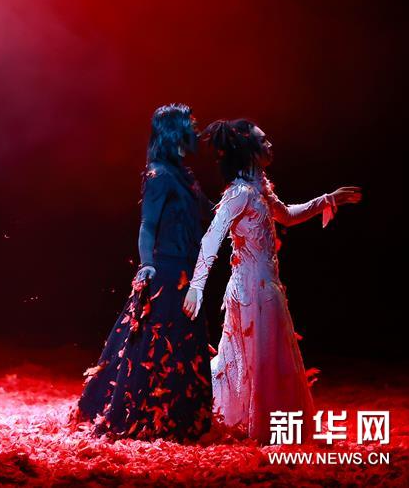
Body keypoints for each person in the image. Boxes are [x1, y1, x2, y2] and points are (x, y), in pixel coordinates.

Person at [183, 119, 361, 443]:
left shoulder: (259, 189)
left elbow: (288, 216)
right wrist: (196, 286)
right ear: (249, 150)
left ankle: (267, 425)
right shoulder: (239, 193)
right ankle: (253, 425)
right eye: (263, 141)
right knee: (254, 360)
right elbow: (211, 238)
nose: (269, 145)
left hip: (267, 287)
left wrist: (328, 199)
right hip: (251, 291)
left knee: (267, 359)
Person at [74, 104, 215, 441]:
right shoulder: (159, 175)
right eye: (191, 125)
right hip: (166, 269)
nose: (196, 131)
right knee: (155, 344)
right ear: (175, 131)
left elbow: (212, 212)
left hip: (187, 267)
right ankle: (144, 417)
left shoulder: (184, 176)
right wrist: (147, 263)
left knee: (181, 343)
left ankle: (179, 417)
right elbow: (147, 225)